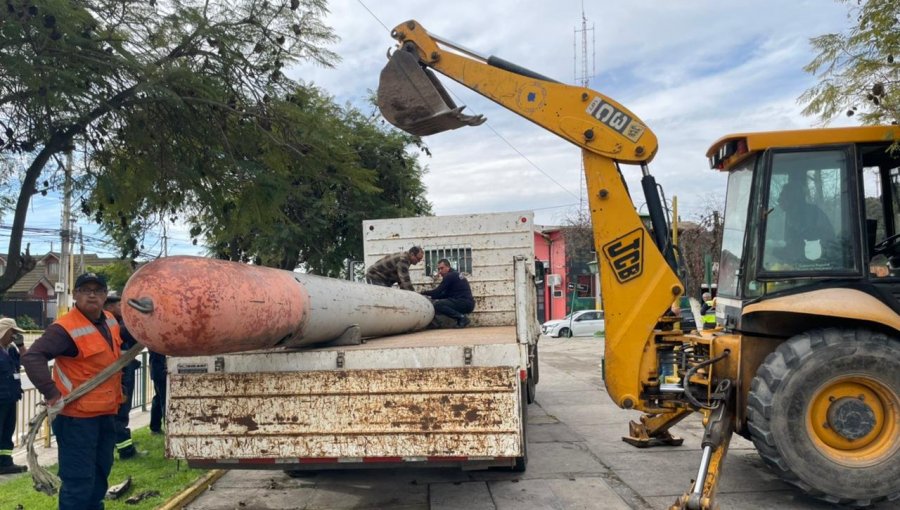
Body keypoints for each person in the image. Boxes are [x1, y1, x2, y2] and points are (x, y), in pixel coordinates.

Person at [22, 272, 124, 510]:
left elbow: (120, 348)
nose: (92, 295)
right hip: (76, 419)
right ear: (75, 294)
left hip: (105, 414)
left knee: (100, 475)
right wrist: (52, 393)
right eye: (85, 290)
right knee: (78, 481)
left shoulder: (109, 320)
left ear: (104, 295)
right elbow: (33, 356)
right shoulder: (65, 328)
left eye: (97, 290)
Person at [103, 294, 144, 460]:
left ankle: (123, 446)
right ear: (109, 307)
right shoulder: (110, 324)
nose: (122, 309)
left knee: (121, 413)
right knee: (119, 413)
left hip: (124, 373)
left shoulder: (115, 323)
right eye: (119, 305)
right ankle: (126, 450)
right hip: (119, 376)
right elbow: (126, 334)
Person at [774, 176, 835, 266]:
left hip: (815, 266)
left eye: (783, 195)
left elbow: (830, 241)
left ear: (793, 198)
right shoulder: (786, 217)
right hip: (792, 265)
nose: (778, 200)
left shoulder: (814, 214)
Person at [0, 318, 27, 474]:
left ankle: (5, 463)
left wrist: (21, 346)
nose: (15, 335)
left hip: (11, 398)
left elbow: (27, 361)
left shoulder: (10, 350)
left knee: (7, 431)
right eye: (13, 332)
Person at [420, 259, 475, 328]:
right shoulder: (455, 274)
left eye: (442, 268)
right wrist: (431, 297)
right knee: (441, 302)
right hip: (468, 303)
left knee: (438, 304)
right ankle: (460, 319)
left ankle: (462, 318)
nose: (440, 271)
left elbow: (438, 291)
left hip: (464, 303)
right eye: (439, 269)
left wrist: (423, 293)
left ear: (448, 267)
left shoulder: (450, 276)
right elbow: (444, 294)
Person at [148, 350, 167, 434]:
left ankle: (155, 427)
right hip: (161, 372)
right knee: (164, 400)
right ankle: (167, 427)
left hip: (158, 371)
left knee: (159, 399)